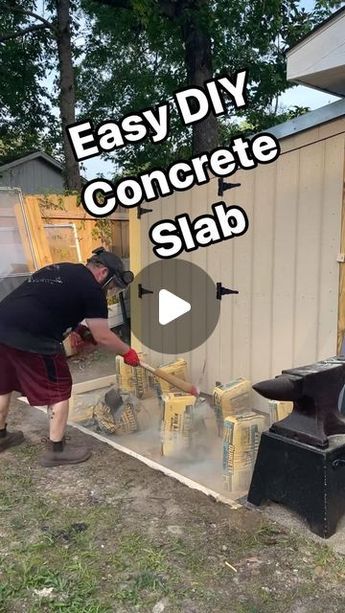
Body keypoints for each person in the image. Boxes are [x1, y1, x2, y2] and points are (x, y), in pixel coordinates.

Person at [0, 247, 140, 467]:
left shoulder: (64, 269)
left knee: (3, 384)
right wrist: (127, 351)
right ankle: (57, 450)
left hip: (2, 327)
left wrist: (78, 330)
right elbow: (103, 337)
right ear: (103, 272)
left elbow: (50, 302)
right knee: (58, 389)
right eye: (113, 285)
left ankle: (1, 437)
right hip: (33, 337)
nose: (111, 291)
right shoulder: (93, 289)